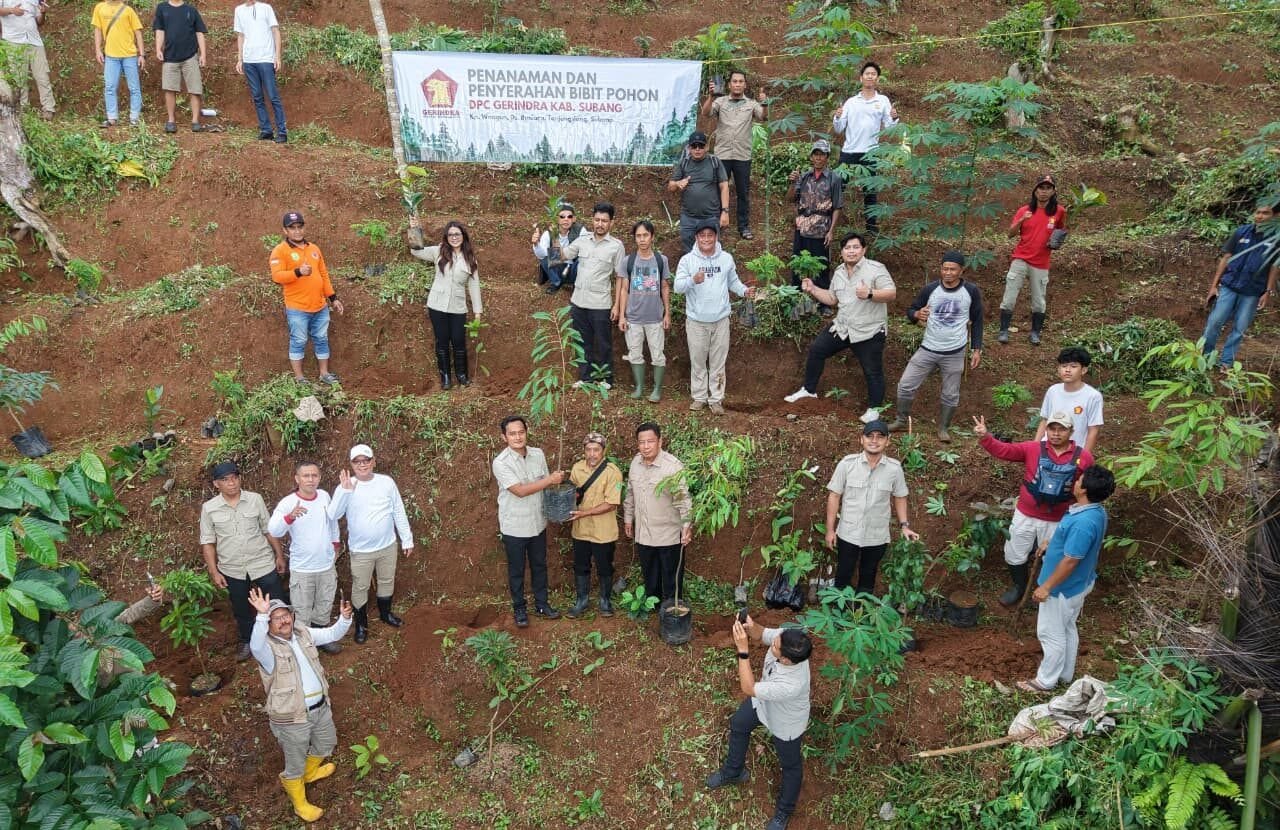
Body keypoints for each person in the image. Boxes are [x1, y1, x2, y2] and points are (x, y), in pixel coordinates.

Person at [247, 586, 351, 822]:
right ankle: (299, 803)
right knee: (294, 762)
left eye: (286, 615)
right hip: (291, 718)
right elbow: (254, 646)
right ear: (268, 624)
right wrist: (262, 615)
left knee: (327, 743)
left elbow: (331, 634)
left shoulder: (302, 633)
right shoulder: (266, 649)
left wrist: (344, 620)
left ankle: (310, 772)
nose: (283, 621)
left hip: (320, 708)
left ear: (292, 616)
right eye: (276, 618)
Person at [973, 412, 1093, 608]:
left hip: (1059, 518)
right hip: (1026, 514)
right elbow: (1005, 451)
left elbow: (1090, 486)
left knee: (1054, 557)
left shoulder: (1084, 457)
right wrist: (986, 436)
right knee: (1014, 551)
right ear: (1046, 430)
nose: (1055, 433)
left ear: (1071, 431)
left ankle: (1044, 589)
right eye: (1052, 429)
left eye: (1061, 429)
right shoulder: (1033, 448)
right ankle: (1019, 587)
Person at [706, 615, 812, 830]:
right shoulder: (786, 640)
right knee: (738, 724)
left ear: (786, 660)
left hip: (785, 722)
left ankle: (784, 812)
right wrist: (749, 623)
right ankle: (733, 771)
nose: (775, 640)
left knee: (790, 766)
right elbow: (761, 633)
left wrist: (743, 650)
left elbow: (748, 687)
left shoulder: (792, 683)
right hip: (763, 704)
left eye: (776, 645)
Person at [1018, 464, 1115, 694]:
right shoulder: (1094, 511)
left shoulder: (1083, 523)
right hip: (1078, 585)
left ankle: (1045, 681)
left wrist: (1047, 587)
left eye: (1080, 481)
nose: (1076, 482)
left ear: (1084, 490)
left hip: (1062, 588)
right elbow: (1071, 543)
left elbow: (1071, 559)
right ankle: (1064, 674)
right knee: (1067, 627)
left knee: (1050, 633)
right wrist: (1051, 543)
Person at [784, 232, 892, 424]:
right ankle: (809, 391)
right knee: (817, 350)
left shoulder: (876, 269)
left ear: (864, 249)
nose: (851, 251)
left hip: (869, 330)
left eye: (855, 247)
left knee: (872, 371)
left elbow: (891, 293)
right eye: (847, 248)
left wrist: (869, 293)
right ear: (841, 251)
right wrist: (813, 289)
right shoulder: (840, 271)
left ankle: (874, 409)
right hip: (843, 327)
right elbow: (833, 299)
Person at [886, 250, 984, 442]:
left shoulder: (970, 292)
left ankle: (944, 428)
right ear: (940, 269)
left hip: (955, 351)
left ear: (961, 271)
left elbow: (978, 320)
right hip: (928, 348)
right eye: (944, 269)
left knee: (950, 393)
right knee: (905, 385)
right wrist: (916, 315)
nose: (948, 273)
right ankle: (901, 420)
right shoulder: (930, 289)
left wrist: (976, 349)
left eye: (952, 269)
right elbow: (911, 310)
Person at [199, 461, 286, 662]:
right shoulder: (209, 508)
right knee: (241, 607)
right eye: (225, 480)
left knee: (277, 601)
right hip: (232, 569)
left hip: (262, 562)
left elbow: (268, 529)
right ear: (216, 484)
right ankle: (248, 641)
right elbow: (208, 542)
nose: (232, 483)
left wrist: (279, 555)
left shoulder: (255, 500)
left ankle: (282, 638)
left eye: (235, 478)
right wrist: (214, 572)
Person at [824, 419, 920, 596]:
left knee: (868, 575)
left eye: (880, 437)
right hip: (848, 533)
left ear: (887, 441)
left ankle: (862, 615)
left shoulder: (894, 468)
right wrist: (830, 530)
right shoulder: (847, 464)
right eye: (870, 436)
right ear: (862, 439)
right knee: (843, 573)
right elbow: (834, 496)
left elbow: (900, 497)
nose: (874, 440)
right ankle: (837, 615)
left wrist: (904, 525)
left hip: (877, 535)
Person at [329, 444, 413, 644]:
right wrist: (345, 491)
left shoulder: (386, 482)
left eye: (366, 460)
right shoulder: (346, 486)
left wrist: (406, 538)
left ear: (373, 461)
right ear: (351, 465)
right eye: (357, 461)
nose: (362, 465)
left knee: (386, 580)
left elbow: (398, 511)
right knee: (360, 586)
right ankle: (361, 624)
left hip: (387, 545)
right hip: (361, 550)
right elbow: (334, 515)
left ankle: (385, 614)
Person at [673, 223, 754, 415]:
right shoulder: (687, 260)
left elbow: (733, 282)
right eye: (703, 235)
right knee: (698, 360)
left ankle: (716, 399)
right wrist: (693, 280)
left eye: (710, 235)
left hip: (720, 320)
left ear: (716, 237)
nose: (707, 239)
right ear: (696, 238)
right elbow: (677, 287)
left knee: (718, 362)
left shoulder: (726, 259)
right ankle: (699, 398)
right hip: (696, 321)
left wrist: (745, 291)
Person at [492, 415, 565, 627]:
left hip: (537, 522)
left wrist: (556, 484)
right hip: (515, 526)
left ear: (527, 431)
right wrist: (550, 480)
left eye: (521, 432)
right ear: (504, 437)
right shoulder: (501, 462)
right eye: (512, 434)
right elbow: (520, 491)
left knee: (539, 565)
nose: (517, 437)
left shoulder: (538, 454)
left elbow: (545, 484)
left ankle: (542, 604)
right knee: (516, 570)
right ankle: (520, 609)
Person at [268, 461, 341, 654]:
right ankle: (305, 643)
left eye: (314, 475)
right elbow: (273, 529)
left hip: (326, 565)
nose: (310, 479)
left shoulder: (324, 496)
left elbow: (332, 521)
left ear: (319, 477)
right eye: (306, 476)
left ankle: (323, 637)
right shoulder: (288, 502)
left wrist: (335, 544)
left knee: (325, 604)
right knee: (302, 609)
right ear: (297, 478)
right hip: (302, 569)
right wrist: (290, 517)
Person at [1202, 198, 1279, 369]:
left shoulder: (1276, 240)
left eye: (1265, 213)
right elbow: (1225, 258)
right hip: (1229, 285)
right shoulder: (1241, 232)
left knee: (1239, 328)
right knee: (1215, 322)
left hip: (1252, 292)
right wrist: (1214, 286)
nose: (1259, 216)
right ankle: (1205, 359)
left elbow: (1275, 266)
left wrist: (1268, 291)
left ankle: (1226, 363)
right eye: (1257, 212)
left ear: (1275, 216)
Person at [269, 211, 344, 385]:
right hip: (297, 307)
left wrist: (333, 298)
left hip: (320, 306)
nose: (297, 231)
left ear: (304, 228)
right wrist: (298, 272)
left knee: (321, 338)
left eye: (299, 227)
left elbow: (323, 275)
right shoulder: (280, 251)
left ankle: (324, 373)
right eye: (292, 228)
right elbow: (277, 277)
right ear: (285, 230)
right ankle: (300, 378)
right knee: (299, 340)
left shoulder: (314, 249)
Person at [408, 218, 482, 390]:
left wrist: (477, 312)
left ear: (463, 236)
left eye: (457, 234)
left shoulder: (470, 258)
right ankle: (446, 378)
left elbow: (474, 285)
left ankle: (462, 376)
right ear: (446, 237)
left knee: (458, 341)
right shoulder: (438, 251)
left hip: (458, 307)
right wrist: (415, 230)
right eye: (450, 234)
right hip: (437, 305)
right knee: (442, 341)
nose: (454, 237)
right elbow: (416, 251)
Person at [623, 422, 692, 605]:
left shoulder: (672, 467)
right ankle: (652, 607)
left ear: (660, 441)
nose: (645, 446)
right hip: (644, 533)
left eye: (650, 441)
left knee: (671, 577)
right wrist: (628, 519)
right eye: (641, 442)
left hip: (668, 535)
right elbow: (630, 493)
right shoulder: (635, 463)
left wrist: (686, 526)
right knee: (650, 574)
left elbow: (683, 499)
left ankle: (671, 610)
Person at [560, 202, 626, 388]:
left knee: (603, 344)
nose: (600, 224)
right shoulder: (582, 241)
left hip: (601, 304)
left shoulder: (616, 246)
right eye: (597, 219)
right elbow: (561, 256)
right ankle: (586, 378)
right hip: (578, 302)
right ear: (592, 220)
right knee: (582, 342)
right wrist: (542, 243)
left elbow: (620, 277)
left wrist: (617, 306)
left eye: (604, 221)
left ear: (611, 223)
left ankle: (606, 379)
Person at [998, 174, 1067, 346]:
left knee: (1039, 300)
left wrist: (1057, 241)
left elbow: (1061, 230)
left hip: (1042, 262)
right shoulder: (1024, 210)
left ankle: (1035, 333)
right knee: (1009, 296)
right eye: (1040, 188)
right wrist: (1022, 220)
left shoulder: (1059, 211)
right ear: (1035, 191)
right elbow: (1010, 234)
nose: (1043, 192)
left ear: (1053, 191)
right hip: (1020, 258)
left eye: (1047, 188)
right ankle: (1003, 330)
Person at [832, 61, 898, 235]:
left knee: (870, 191)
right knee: (839, 186)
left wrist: (894, 117)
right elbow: (839, 128)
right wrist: (837, 117)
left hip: (871, 152)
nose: (870, 76)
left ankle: (871, 226)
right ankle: (831, 221)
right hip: (850, 150)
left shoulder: (883, 101)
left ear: (877, 78)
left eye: (873, 74)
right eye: (867, 73)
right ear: (861, 78)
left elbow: (890, 128)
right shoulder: (851, 102)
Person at [701, 70, 768, 239]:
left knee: (743, 192)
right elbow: (706, 113)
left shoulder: (751, 104)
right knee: (717, 190)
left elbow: (763, 117)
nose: (737, 84)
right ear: (729, 84)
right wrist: (710, 96)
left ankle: (744, 226)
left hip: (742, 155)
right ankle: (716, 224)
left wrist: (765, 104)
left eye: (741, 81)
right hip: (722, 154)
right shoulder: (720, 102)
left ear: (745, 84)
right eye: (735, 81)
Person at [566, 432, 623, 618]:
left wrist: (585, 513)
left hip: (603, 531)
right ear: (584, 450)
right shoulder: (577, 468)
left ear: (603, 451)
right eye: (588, 449)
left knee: (604, 566)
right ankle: (582, 600)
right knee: (581, 566)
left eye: (596, 450)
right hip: (581, 530)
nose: (592, 454)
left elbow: (612, 503)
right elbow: (572, 493)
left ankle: (605, 600)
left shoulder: (613, 472)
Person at [615, 219, 671, 402]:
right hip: (633, 318)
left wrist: (667, 313)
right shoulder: (628, 261)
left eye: (645, 235)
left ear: (652, 237)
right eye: (638, 236)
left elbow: (664, 287)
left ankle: (657, 390)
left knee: (658, 355)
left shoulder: (661, 261)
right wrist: (622, 316)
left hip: (655, 317)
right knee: (635, 353)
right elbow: (624, 289)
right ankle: (639, 387)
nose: (642, 239)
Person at [787, 139, 844, 292]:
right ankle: (796, 296)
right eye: (816, 154)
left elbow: (837, 206)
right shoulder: (804, 176)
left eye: (822, 154)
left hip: (821, 228)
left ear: (827, 157)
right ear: (811, 157)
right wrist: (793, 183)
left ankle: (823, 302)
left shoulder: (834, 178)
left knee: (821, 265)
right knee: (797, 263)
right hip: (802, 226)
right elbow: (791, 198)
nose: (818, 158)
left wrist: (831, 231)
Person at [233, 0, 286, 142]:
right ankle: (266, 130)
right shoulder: (239, 10)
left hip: (266, 59)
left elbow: (276, 31)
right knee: (257, 96)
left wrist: (277, 57)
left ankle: (282, 132)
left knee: (273, 95)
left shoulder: (266, 8)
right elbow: (241, 35)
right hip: (249, 60)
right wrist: (240, 59)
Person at [668, 131, 729, 252]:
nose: (697, 149)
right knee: (688, 251)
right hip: (688, 217)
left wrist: (725, 212)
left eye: (700, 146)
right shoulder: (684, 163)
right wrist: (678, 183)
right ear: (689, 148)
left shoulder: (714, 162)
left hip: (710, 216)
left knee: (711, 250)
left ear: (706, 147)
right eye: (694, 146)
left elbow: (724, 186)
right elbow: (671, 186)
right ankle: (692, 271)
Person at [151, 0, 207, 134]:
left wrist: (203, 54)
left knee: (195, 89)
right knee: (169, 89)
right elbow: (160, 30)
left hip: (190, 56)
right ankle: (171, 121)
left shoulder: (191, 10)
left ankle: (195, 121)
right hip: (170, 56)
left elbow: (199, 32)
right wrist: (158, 48)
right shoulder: (162, 8)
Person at [1034, 347, 1102, 453]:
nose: (1067, 370)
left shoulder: (1093, 396)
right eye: (1064, 366)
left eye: (1073, 366)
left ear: (1083, 370)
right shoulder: (1053, 391)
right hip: (1047, 451)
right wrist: (1035, 447)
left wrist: (1083, 458)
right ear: (1058, 369)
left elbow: (1093, 430)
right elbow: (1045, 421)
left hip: (1073, 453)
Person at [91, 0, 145, 127]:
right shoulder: (100, 8)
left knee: (134, 88)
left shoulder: (128, 10)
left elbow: (138, 32)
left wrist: (142, 54)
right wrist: (98, 50)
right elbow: (98, 30)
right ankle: (112, 118)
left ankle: (134, 118)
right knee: (110, 87)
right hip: (111, 56)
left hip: (130, 55)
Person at [0, 0, 56, 120]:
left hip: (34, 40)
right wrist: (11, 10)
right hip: (13, 40)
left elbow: (39, 22)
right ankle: (23, 109)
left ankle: (48, 109)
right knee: (19, 77)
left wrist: (43, 13)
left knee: (42, 76)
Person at [530, 202, 587, 294]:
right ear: (556, 219)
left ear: (574, 219)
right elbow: (542, 256)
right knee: (546, 256)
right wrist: (536, 244)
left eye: (569, 217)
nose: (566, 219)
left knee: (583, 259)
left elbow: (585, 251)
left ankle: (577, 285)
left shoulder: (580, 231)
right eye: (562, 216)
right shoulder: (548, 233)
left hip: (574, 268)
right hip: (557, 268)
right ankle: (556, 282)